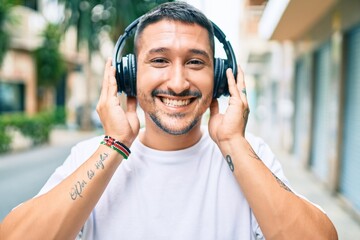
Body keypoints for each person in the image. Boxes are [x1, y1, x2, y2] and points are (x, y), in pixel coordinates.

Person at [0, 2, 337, 239]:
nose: (177, 83)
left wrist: (233, 141)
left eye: (195, 62)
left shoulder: (250, 155)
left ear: (221, 76)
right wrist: (115, 144)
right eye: (159, 60)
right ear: (128, 74)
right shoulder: (90, 155)